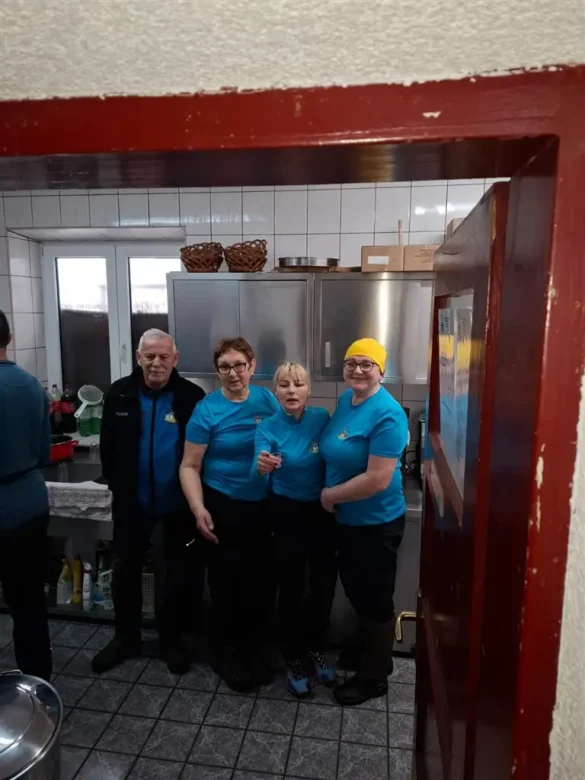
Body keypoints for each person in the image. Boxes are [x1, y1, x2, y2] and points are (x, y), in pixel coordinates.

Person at [92, 328, 205, 676]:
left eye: (164, 356)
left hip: (176, 506)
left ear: (175, 359)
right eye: (150, 356)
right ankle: (126, 638)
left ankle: (171, 641)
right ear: (138, 357)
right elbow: (107, 448)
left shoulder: (191, 397)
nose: (157, 362)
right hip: (131, 504)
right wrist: (119, 486)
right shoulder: (119, 394)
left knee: (174, 576)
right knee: (125, 572)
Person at [180, 337, 279, 692]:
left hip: (263, 508)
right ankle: (226, 655)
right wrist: (198, 509)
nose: (233, 373)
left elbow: (282, 438)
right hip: (223, 506)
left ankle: (256, 651)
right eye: (225, 367)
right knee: (227, 585)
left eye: (239, 365)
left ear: (252, 366)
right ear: (217, 371)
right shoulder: (207, 410)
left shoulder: (267, 400)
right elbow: (189, 465)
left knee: (261, 584)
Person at [320, 338, 408, 706]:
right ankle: (368, 654)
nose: (357, 370)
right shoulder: (347, 400)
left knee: (375, 599)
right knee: (358, 591)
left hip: (375, 523)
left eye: (366, 364)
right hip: (348, 521)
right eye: (351, 363)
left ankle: (374, 679)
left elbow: (377, 479)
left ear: (381, 371)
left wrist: (330, 495)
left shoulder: (389, 414)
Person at [256, 362, 337, 697]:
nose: (291, 390)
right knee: (291, 588)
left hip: (321, 512)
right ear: (275, 392)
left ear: (309, 390)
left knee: (322, 586)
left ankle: (315, 647)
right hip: (285, 513)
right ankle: (292, 656)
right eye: (284, 385)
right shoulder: (268, 426)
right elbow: (259, 461)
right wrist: (263, 464)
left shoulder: (321, 418)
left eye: (298, 384)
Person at [0, 310, 52, 681]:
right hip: (30, 505)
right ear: (10, 337)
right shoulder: (31, 385)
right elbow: (44, 453)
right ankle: (37, 686)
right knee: (29, 602)